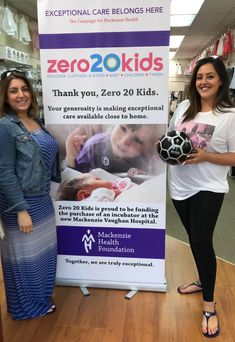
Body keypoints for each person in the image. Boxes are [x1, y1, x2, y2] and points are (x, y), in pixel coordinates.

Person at [168, 56, 235, 338]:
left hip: (208, 187)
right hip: (179, 186)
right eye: (199, 77)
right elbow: (171, 137)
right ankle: (202, 279)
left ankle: (209, 304)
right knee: (195, 237)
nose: (203, 82)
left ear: (221, 80)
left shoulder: (230, 116)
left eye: (209, 76)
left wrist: (206, 156)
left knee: (201, 240)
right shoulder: (184, 108)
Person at [0, 70, 61, 320]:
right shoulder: (5, 126)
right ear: (5, 96)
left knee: (43, 254)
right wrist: (21, 209)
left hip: (42, 198)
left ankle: (40, 299)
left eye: (24, 89)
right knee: (24, 259)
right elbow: (3, 172)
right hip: (21, 203)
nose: (21, 95)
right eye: (13, 90)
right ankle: (25, 307)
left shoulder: (35, 120)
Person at [66, 124, 165, 175]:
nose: (124, 141)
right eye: (123, 128)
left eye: (137, 140)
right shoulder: (94, 146)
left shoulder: (146, 162)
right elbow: (75, 175)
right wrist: (71, 159)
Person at [56, 173, 133, 201]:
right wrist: (112, 192)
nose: (104, 180)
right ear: (85, 195)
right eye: (98, 179)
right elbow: (99, 197)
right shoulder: (89, 204)